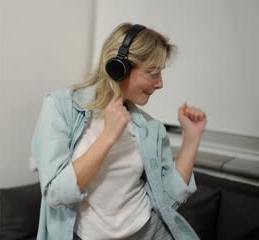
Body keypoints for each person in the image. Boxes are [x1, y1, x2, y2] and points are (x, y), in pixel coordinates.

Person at [32, 23, 207, 240]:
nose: (160, 83)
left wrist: (192, 138)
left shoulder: (150, 128)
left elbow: (169, 200)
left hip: (148, 232)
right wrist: (108, 137)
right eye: (153, 73)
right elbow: (55, 193)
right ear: (119, 67)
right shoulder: (60, 108)